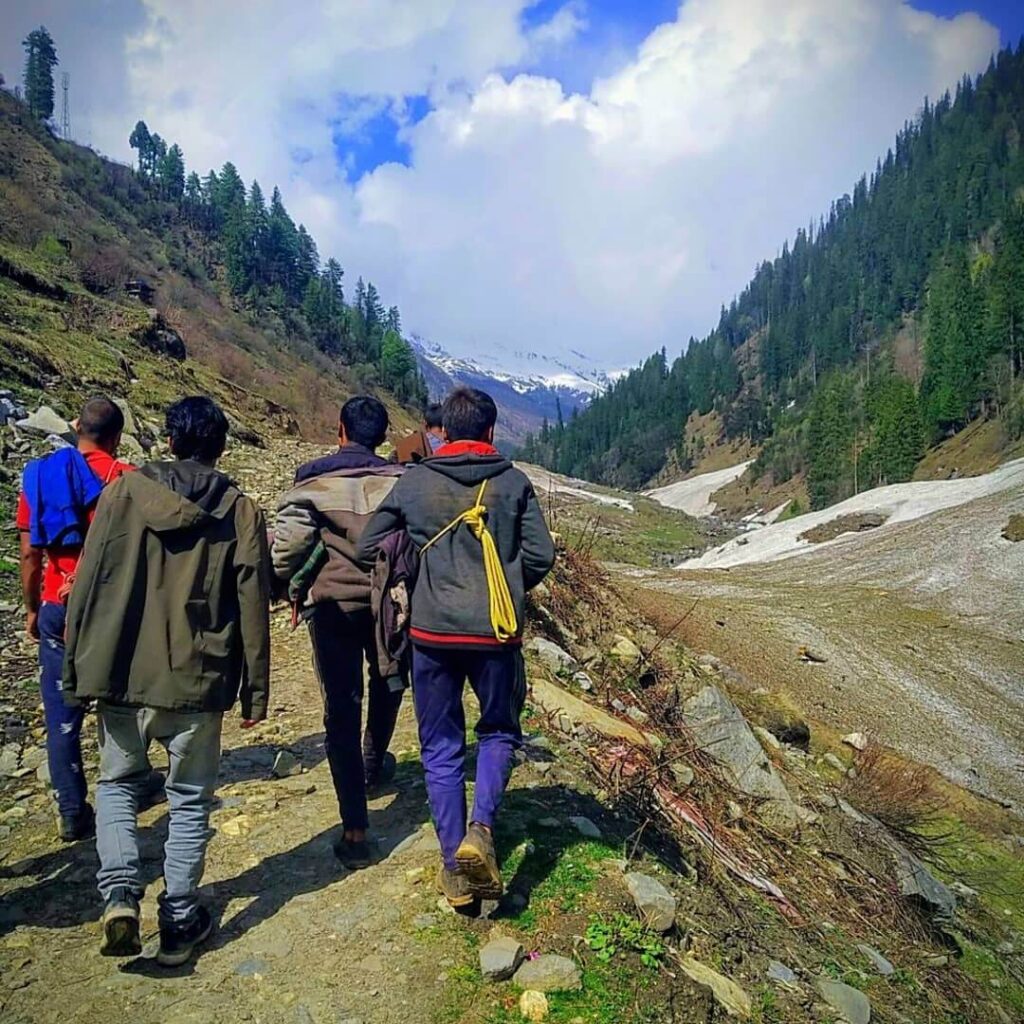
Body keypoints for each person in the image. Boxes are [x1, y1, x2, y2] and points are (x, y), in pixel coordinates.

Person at [63, 396, 271, 965]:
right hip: (197, 674)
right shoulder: (239, 509)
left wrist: (75, 666)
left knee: (117, 784)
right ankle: (179, 917)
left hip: (122, 667)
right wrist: (254, 689)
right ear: (220, 447)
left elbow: (89, 580)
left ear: (170, 441)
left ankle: (121, 896)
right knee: (189, 798)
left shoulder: (123, 493)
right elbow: (253, 601)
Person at [357, 387, 555, 908]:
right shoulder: (512, 482)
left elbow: (368, 545)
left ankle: (453, 867)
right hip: (496, 630)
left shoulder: (416, 481)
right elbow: (541, 554)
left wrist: (418, 566)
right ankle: (482, 829)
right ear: (491, 431)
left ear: (441, 429)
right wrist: (506, 583)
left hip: (432, 634)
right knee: (498, 730)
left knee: (441, 747)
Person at [272, 396, 405, 870]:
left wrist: (284, 585)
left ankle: (355, 827)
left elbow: (288, 547)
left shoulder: (311, 478)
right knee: (389, 680)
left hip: (331, 606)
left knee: (341, 706)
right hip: (388, 603)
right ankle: (374, 760)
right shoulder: (403, 481)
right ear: (384, 437)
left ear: (341, 431)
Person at [16, 396, 135, 841]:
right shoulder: (125, 479)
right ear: (117, 437)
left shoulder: (41, 476)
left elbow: (29, 554)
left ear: (75, 426)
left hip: (57, 605)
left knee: (62, 715)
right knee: (120, 701)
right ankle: (127, 785)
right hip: (110, 608)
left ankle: (71, 810)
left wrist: (32, 607)